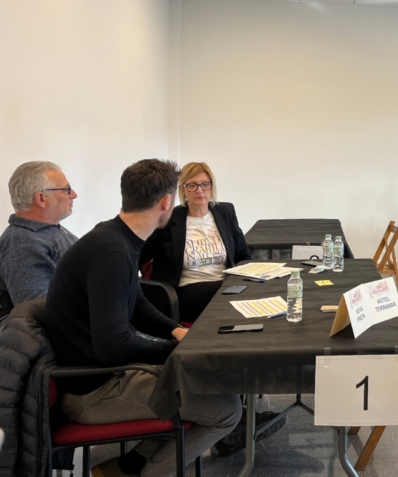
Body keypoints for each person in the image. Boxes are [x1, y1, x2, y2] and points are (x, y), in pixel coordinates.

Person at [46, 159, 244, 477]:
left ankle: (128, 466)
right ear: (167, 202)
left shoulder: (113, 237)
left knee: (208, 383)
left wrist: (177, 332)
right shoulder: (112, 253)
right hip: (94, 390)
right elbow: (114, 345)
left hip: (101, 375)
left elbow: (137, 304)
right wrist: (175, 352)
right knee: (228, 410)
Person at [139, 162, 251, 322]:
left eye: (205, 184)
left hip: (225, 288)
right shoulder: (169, 219)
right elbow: (139, 255)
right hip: (183, 294)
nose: (200, 190)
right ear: (183, 189)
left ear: (211, 187)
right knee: (232, 298)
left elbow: (243, 255)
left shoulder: (225, 212)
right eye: (192, 185)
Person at [0, 161, 78, 320]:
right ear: (41, 198)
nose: (74, 194)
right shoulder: (23, 244)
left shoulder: (47, 230)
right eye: (66, 189)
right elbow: (39, 313)